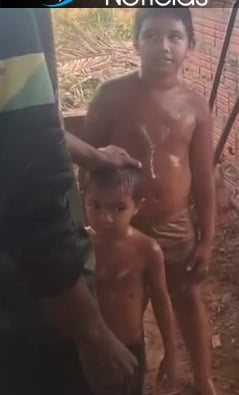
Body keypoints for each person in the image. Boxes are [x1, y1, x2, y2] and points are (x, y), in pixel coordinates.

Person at [0, 6, 142, 394]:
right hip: (28, 297)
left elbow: (20, 121)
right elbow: (32, 199)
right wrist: (92, 333)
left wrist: (95, 156)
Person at [82, 7, 218, 395]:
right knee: (122, 300)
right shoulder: (111, 96)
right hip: (122, 223)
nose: (164, 46)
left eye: (175, 36)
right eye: (152, 36)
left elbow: (204, 179)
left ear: (190, 45)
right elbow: (86, 163)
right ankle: (120, 372)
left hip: (176, 224)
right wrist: (92, 220)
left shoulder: (195, 105)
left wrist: (207, 240)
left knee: (187, 296)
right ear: (135, 42)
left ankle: (203, 377)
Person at [83, 164, 179, 395]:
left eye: (119, 208)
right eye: (96, 206)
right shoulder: (78, 245)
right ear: (83, 199)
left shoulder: (147, 250)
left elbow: (161, 299)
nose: (106, 218)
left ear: (137, 207)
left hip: (128, 348)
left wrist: (171, 350)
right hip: (84, 347)